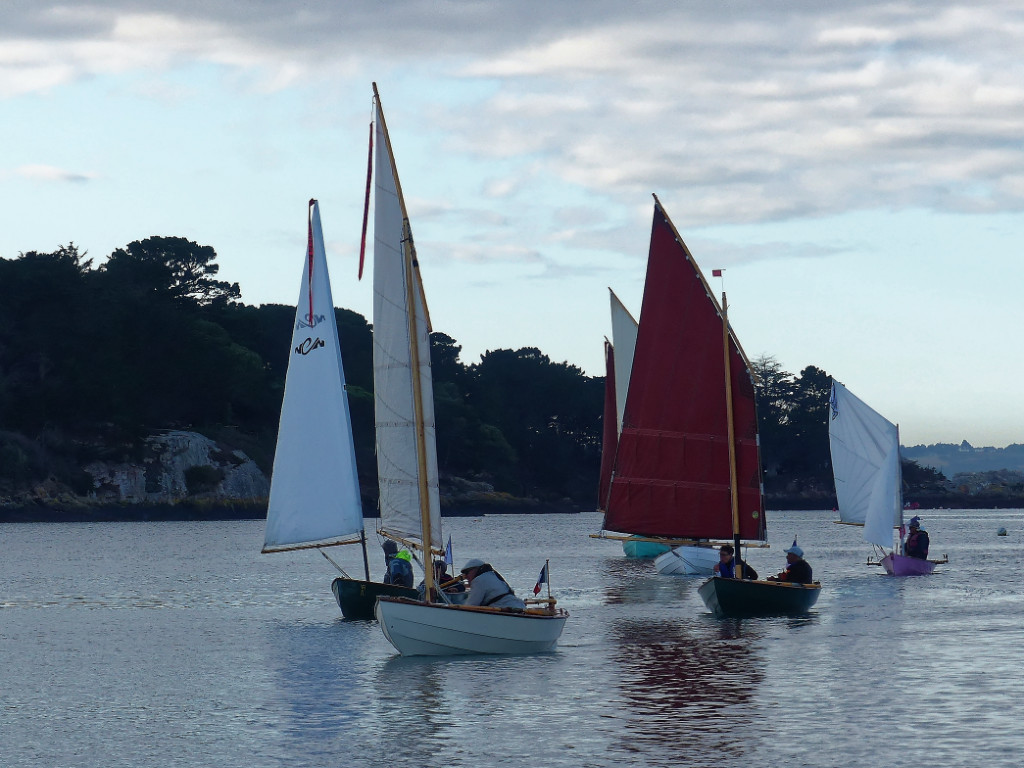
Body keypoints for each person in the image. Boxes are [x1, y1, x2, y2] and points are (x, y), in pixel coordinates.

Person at [460, 558, 526, 610]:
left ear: (475, 569)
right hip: (519, 606)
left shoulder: (479, 580)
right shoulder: (492, 575)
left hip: (507, 609)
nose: (466, 576)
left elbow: (471, 606)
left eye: (467, 572)